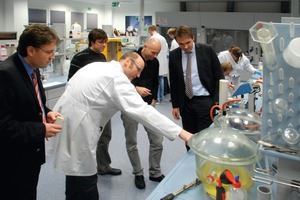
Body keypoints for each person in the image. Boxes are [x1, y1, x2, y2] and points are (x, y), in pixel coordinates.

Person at [50, 52, 192, 200]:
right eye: (138, 70)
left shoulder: (98, 66)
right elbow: (143, 111)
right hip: (81, 128)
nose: (138, 76)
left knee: (74, 175)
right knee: (85, 180)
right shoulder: (117, 79)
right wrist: (181, 132)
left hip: (70, 122)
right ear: (127, 62)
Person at [0, 24, 63, 200]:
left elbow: (32, 104)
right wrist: (41, 130)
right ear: (31, 50)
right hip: (12, 161)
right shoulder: (6, 75)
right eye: (48, 51)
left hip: (30, 155)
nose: (53, 56)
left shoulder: (32, 69)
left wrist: (47, 112)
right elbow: (3, 126)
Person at [68, 28, 121, 176]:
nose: (104, 45)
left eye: (105, 42)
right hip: (86, 109)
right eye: (100, 42)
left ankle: (103, 166)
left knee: (105, 137)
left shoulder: (102, 58)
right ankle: (84, 168)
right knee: (86, 139)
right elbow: (71, 82)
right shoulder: (79, 58)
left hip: (102, 106)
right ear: (92, 42)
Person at [169, 25, 224, 150]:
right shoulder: (174, 55)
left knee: (206, 139)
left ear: (193, 38)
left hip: (205, 101)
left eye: (188, 42)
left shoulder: (207, 50)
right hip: (186, 103)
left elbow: (219, 77)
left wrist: (216, 101)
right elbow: (174, 82)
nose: (185, 47)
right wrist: (175, 105)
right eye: (181, 44)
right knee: (190, 139)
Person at [120, 37, 163, 189]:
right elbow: (120, 82)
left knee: (157, 139)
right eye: (153, 52)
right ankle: (138, 173)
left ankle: (155, 172)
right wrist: (136, 89)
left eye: (157, 53)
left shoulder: (155, 62)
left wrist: (154, 100)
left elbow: (156, 81)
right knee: (132, 142)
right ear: (144, 47)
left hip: (148, 106)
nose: (154, 56)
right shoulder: (129, 59)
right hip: (130, 107)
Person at [148, 25, 169, 104]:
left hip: (156, 61)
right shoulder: (162, 38)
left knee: (157, 81)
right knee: (161, 79)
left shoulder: (153, 38)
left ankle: (157, 98)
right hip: (163, 61)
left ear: (150, 30)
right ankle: (161, 97)